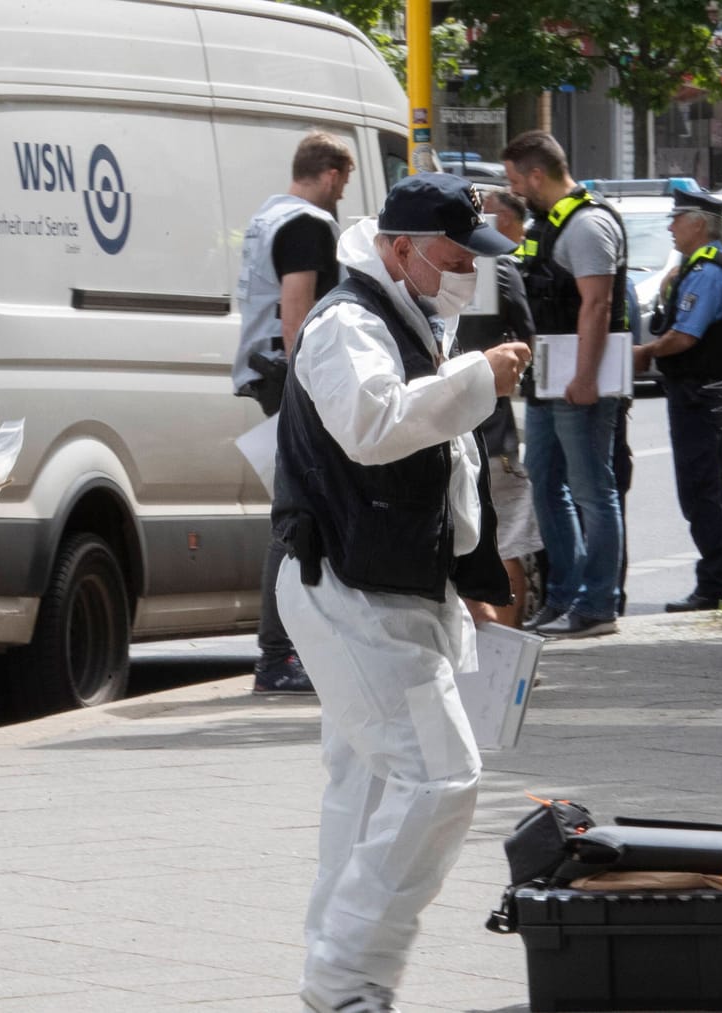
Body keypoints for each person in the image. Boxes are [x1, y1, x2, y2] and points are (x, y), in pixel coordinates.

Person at [273, 171, 530, 1013]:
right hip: (350, 587)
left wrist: (476, 583)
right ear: (399, 249)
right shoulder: (349, 322)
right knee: (439, 780)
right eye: (455, 255)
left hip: (390, 586)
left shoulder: (416, 317)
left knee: (374, 784)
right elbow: (375, 426)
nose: (467, 271)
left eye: (472, 257)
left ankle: (335, 976)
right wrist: (480, 380)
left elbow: (447, 473)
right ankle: (348, 978)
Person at [233, 130, 355, 694]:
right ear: (330, 175)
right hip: (291, 380)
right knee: (297, 515)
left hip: (269, 376)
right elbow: (297, 309)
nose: (344, 195)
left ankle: (292, 650)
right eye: (345, 182)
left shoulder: (268, 217)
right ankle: (278, 656)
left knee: (303, 511)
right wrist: (311, 387)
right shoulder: (307, 224)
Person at [501, 130, 627, 638]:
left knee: (593, 492)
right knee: (545, 487)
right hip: (549, 380)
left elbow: (597, 305)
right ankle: (562, 598)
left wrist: (585, 377)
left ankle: (598, 605)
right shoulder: (550, 224)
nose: (514, 189)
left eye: (515, 179)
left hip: (578, 382)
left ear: (536, 175)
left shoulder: (587, 225)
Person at [632, 190, 722, 610]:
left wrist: (646, 353)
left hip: (697, 391)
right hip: (711, 389)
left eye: (676, 218)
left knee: (699, 492)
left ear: (698, 223)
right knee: (712, 489)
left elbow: (685, 336)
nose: (670, 226)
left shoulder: (707, 271)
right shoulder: (712, 265)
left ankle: (717, 584)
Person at [455, 187, 543, 627]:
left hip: (437, 429)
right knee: (505, 542)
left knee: (460, 547)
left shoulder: (411, 271)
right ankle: (507, 661)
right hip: (493, 432)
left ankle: (486, 661)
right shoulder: (501, 269)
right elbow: (527, 339)